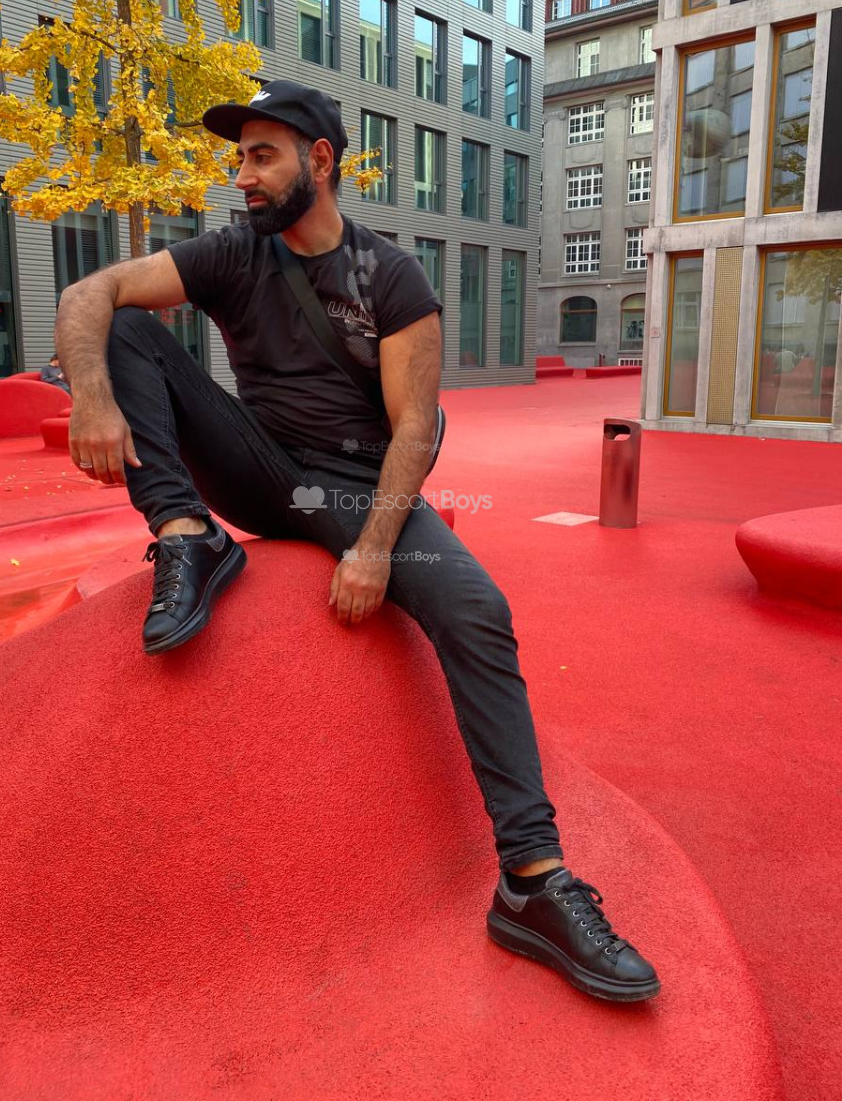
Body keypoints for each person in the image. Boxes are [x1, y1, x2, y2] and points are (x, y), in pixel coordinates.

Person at [54, 80, 659, 1003]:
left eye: (262, 157)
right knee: (124, 325)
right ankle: (186, 536)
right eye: (240, 158)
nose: (242, 176)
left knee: (477, 610)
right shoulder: (232, 252)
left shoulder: (392, 277)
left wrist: (375, 549)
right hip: (258, 470)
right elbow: (89, 290)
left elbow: (416, 427)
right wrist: (92, 397)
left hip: (355, 489)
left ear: (320, 160)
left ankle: (532, 883)